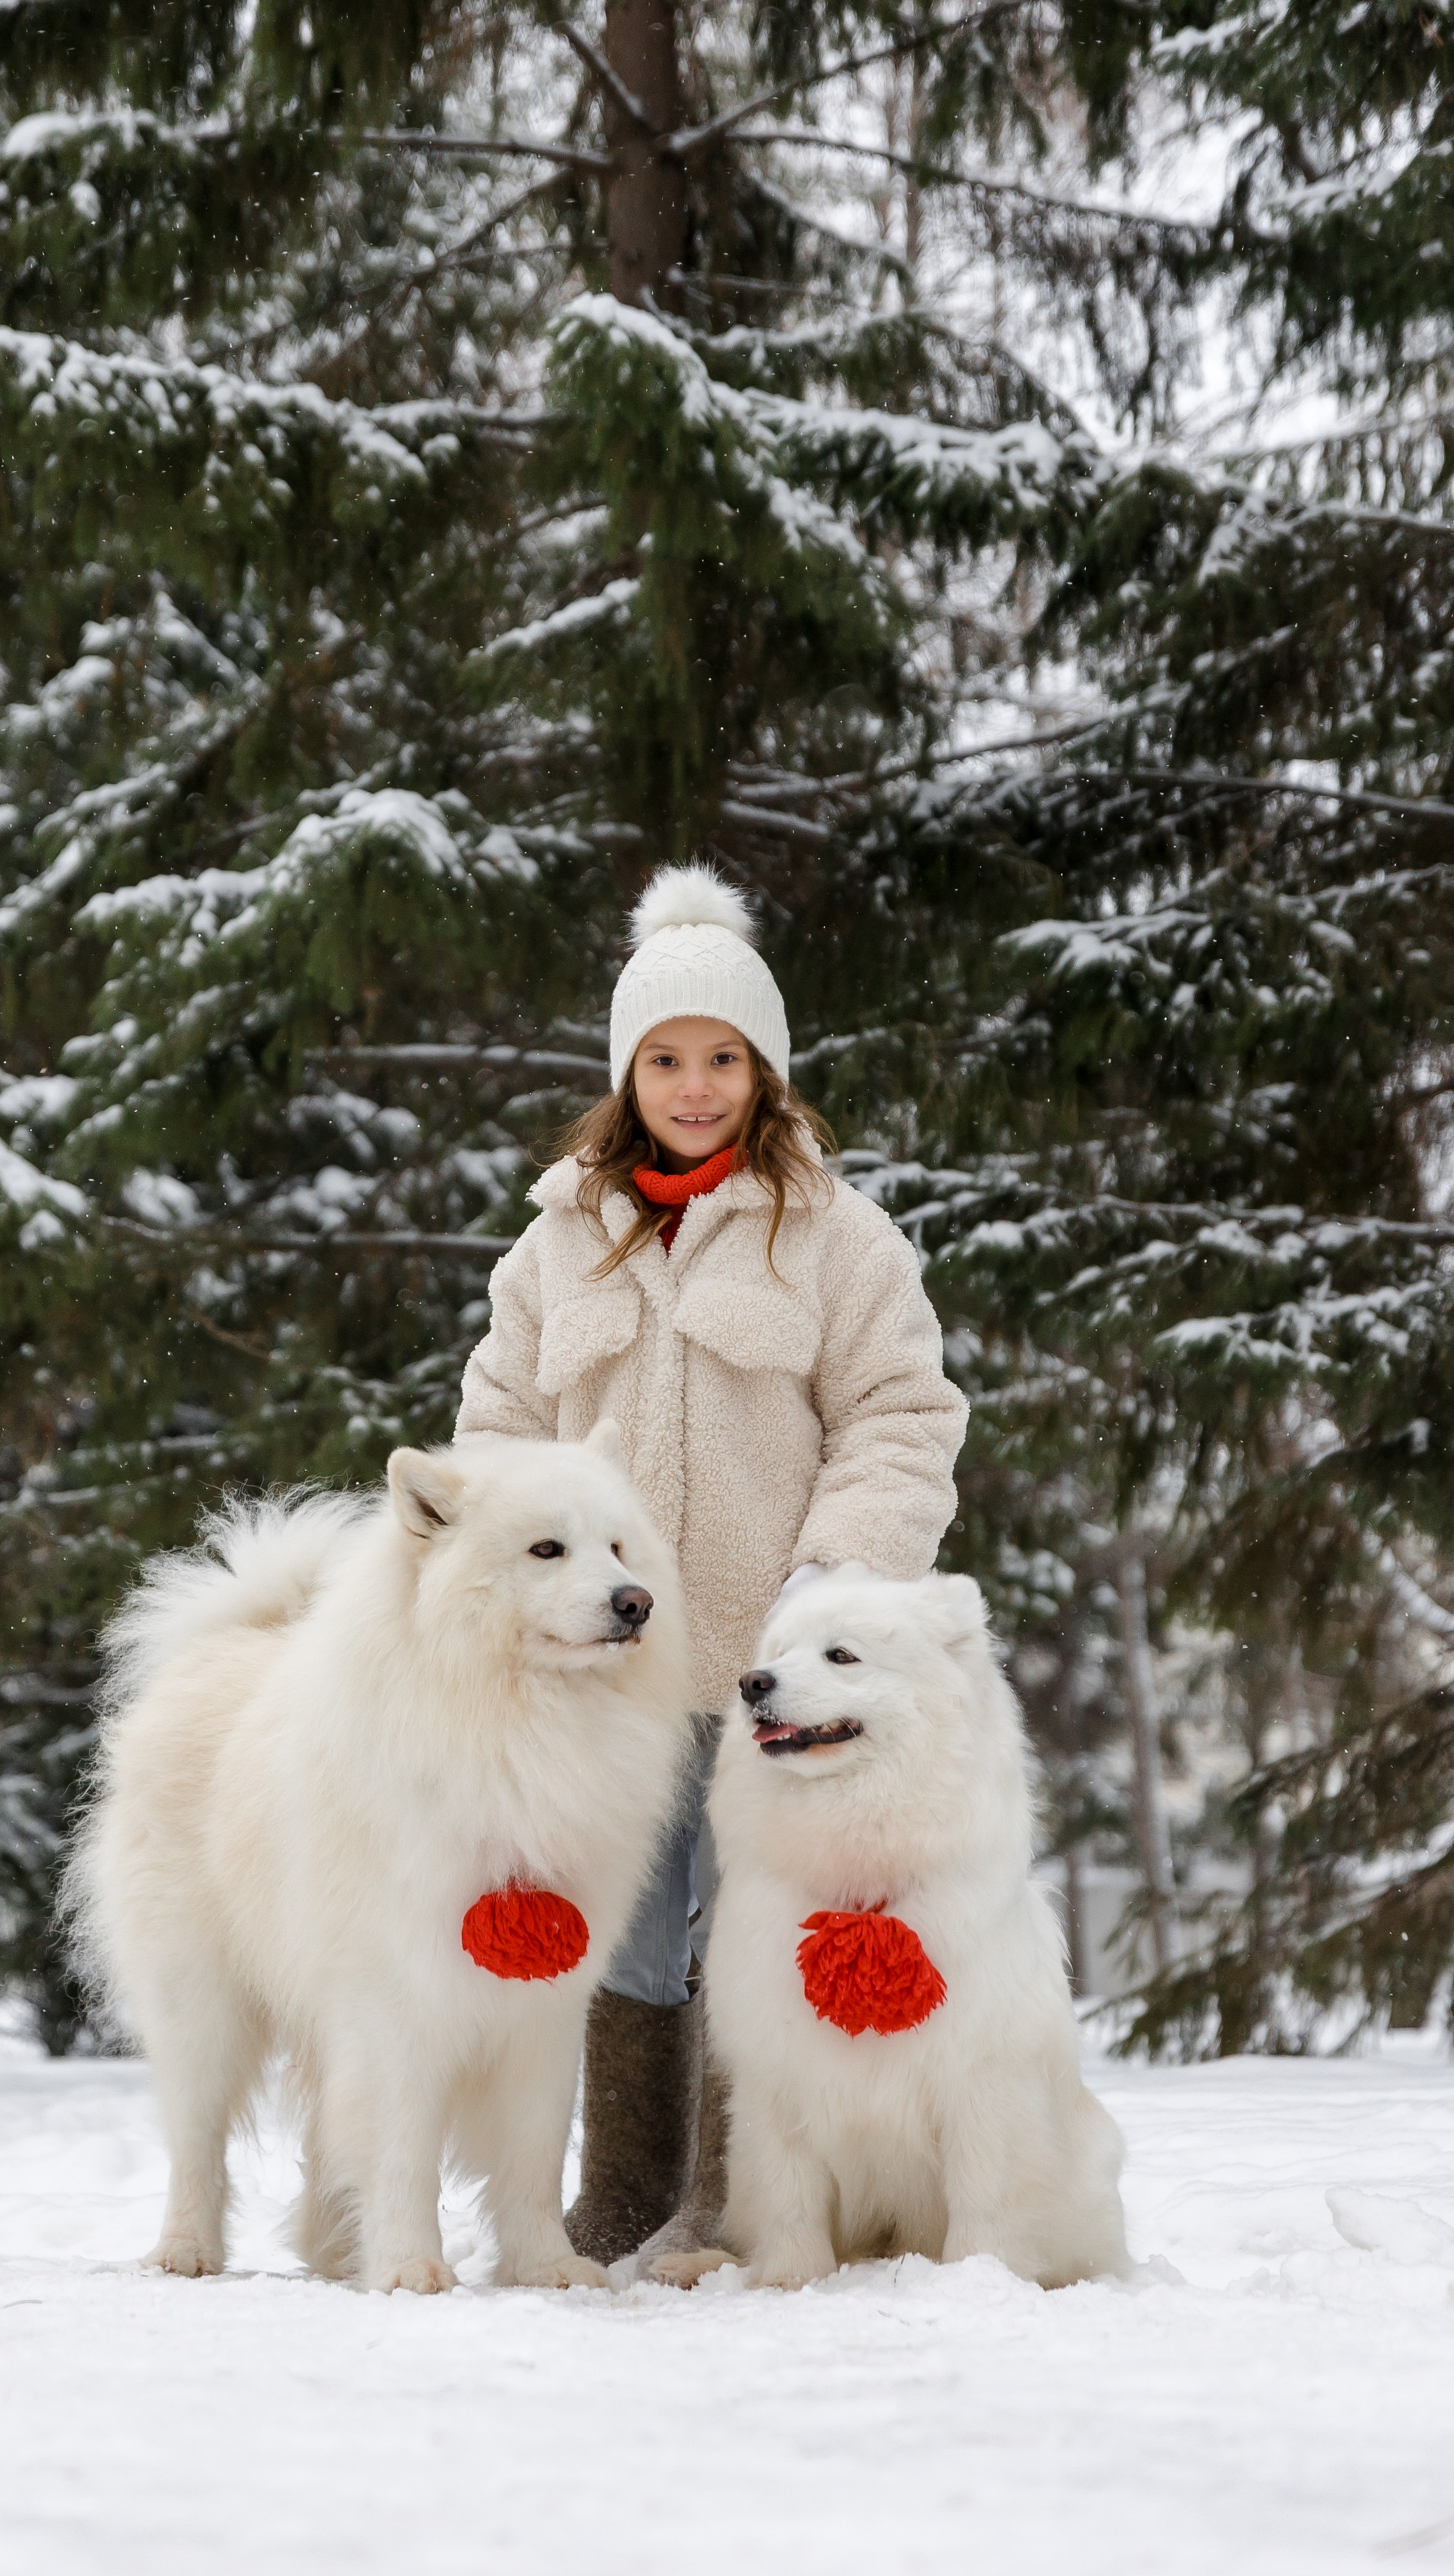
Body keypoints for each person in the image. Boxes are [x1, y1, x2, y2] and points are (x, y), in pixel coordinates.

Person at [454, 865, 968, 2265]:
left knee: (753, 1929)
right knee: (616, 1933)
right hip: (604, 1669)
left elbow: (901, 1420)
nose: (693, 1085)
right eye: (666, 1058)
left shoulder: (837, 1240)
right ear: (627, 1071)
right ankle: (624, 2190)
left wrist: (836, 1574)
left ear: (766, 1071)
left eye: (722, 1059)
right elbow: (496, 1427)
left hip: (765, 1663)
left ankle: (739, 2200)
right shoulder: (556, 1242)